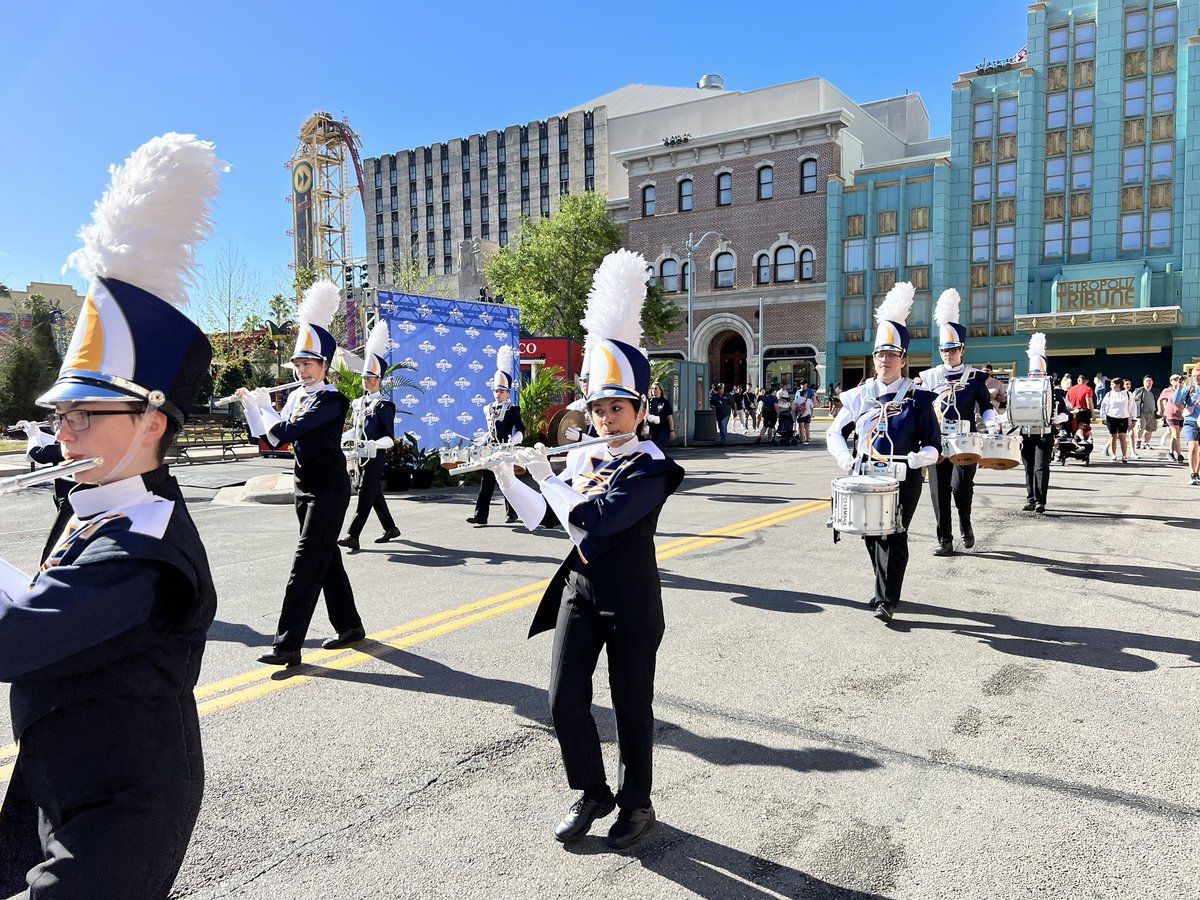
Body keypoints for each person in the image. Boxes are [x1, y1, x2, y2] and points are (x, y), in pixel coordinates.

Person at [0, 133, 222, 898]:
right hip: (57, 776)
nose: (64, 433)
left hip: (122, 806)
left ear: (152, 421)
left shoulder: (144, 548)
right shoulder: (98, 498)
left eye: (85, 415)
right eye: (60, 417)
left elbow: (10, 638)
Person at [492, 250, 684, 849]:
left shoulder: (654, 467)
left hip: (630, 601)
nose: (603, 418)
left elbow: (597, 517)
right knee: (562, 701)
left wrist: (547, 475)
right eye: (597, 408)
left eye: (616, 408)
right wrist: (507, 475)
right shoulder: (582, 458)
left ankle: (636, 803)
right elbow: (542, 519)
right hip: (579, 590)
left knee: (631, 708)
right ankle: (592, 791)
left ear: (640, 409)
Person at [239, 280, 365, 666]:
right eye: (298, 364)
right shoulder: (297, 397)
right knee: (325, 558)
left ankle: (287, 645)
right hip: (302, 485)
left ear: (325, 366)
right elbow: (266, 438)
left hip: (329, 489)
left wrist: (267, 408)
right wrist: (251, 406)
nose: (302, 370)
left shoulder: (332, 399)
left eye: (308, 364)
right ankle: (350, 627)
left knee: (305, 563)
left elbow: (284, 432)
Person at [826, 281, 939, 623]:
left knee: (894, 534)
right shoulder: (859, 396)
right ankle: (882, 589)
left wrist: (920, 458)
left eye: (892, 354)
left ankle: (887, 599)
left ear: (904, 359)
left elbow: (935, 444)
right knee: (871, 534)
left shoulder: (919, 399)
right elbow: (834, 432)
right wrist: (845, 458)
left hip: (903, 478)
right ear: (873, 358)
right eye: (880, 354)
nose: (885, 360)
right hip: (865, 475)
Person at [918, 289, 998, 556]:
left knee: (961, 487)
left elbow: (986, 406)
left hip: (966, 441)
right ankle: (945, 540)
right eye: (944, 349)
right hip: (937, 442)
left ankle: (966, 524)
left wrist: (993, 423)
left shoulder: (975, 378)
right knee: (939, 492)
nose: (948, 354)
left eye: (953, 349)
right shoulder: (929, 377)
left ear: (962, 349)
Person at [338, 321, 401, 551]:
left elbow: (389, 438)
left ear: (379, 380)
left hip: (375, 456)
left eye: (370, 378)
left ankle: (352, 535)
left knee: (365, 493)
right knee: (373, 493)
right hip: (360, 455)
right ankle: (391, 528)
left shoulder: (385, 405)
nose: (366, 381)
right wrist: (343, 437)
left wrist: (373, 444)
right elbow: (357, 429)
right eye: (364, 378)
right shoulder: (360, 402)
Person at [467, 345, 524, 525]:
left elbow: (521, 430)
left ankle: (512, 513)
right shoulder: (488, 408)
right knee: (487, 482)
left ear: (508, 392)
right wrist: (483, 439)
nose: (497, 394)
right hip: (490, 450)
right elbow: (491, 429)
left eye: (501, 391)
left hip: (505, 450)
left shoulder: (513, 409)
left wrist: (513, 441)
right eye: (495, 390)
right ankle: (481, 516)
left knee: (507, 482)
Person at [1016, 334, 1066, 514]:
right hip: (1026, 432)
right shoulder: (1022, 387)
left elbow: (1064, 411)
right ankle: (1030, 497)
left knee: (1041, 466)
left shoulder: (1054, 390)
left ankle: (1040, 500)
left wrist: (1059, 418)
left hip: (1045, 432)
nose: (1035, 376)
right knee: (1028, 465)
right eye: (1032, 374)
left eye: (1039, 373)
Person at [1172, 368, 1200, 485]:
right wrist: (1179, 386)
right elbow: (1176, 400)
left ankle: (1197, 474)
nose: (1196, 378)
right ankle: (1192, 474)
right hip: (1191, 421)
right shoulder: (1189, 389)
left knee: (1199, 450)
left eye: (1198, 376)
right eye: (1194, 376)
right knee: (1192, 446)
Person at [1099, 376, 1134, 463]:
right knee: (1113, 436)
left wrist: (1133, 418)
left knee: (1122, 436)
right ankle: (1114, 455)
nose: (1110, 386)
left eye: (1112, 384)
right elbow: (1103, 406)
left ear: (1118, 385)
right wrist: (1103, 417)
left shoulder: (1128, 394)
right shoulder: (1109, 394)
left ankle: (1124, 455)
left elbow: (1132, 407)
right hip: (1111, 417)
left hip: (1123, 417)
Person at [1159, 374, 1185, 463]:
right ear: (1171, 381)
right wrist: (1160, 410)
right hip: (1171, 414)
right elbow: (1160, 399)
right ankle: (1179, 454)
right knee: (1176, 435)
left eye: (1179, 379)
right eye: (1175, 379)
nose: (1177, 381)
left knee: (1175, 436)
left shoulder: (1183, 390)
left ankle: (1171, 452)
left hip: (1181, 414)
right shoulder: (1167, 390)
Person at [1065, 374, 1095, 441]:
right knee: (1083, 427)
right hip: (1083, 412)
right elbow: (1089, 402)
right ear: (1087, 381)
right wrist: (1092, 414)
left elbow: (1066, 400)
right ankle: (1084, 439)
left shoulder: (1070, 389)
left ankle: (1074, 441)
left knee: (1072, 428)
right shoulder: (1088, 389)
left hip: (1072, 411)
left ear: (1079, 380)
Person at [1132, 375, 1157, 455]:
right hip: (1142, 412)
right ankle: (1138, 440)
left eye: (1150, 381)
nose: (1148, 382)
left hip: (1152, 412)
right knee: (1140, 427)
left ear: (1152, 382)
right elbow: (1133, 401)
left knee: (1150, 429)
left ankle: (1146, 443)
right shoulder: (1138, 391)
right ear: (1143, 382)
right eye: (1147, 381)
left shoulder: (1155, 391)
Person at [647, 381, 675, 446]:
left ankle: (666, 456)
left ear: (660, 391)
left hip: (663, 429)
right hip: (653, 430)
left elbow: (669, 417)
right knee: (653, 448)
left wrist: (672, 430)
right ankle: (666, 456)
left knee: (657, 446)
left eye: (656, 388)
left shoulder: (665, 402)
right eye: (652, 388)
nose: (653, 390)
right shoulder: (649, 402)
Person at [709, 382, 732, 447]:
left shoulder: (728, 395)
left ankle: (723, 441)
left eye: (721, 388)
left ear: (723, 388)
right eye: (718, 388)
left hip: (726, 414)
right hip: (718, 414)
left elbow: (733, 403)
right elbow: (711, 404)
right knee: (720, 427)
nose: (719, 389)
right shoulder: (715, 396)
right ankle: (723, 439)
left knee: (723, 426)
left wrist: (735, 411)